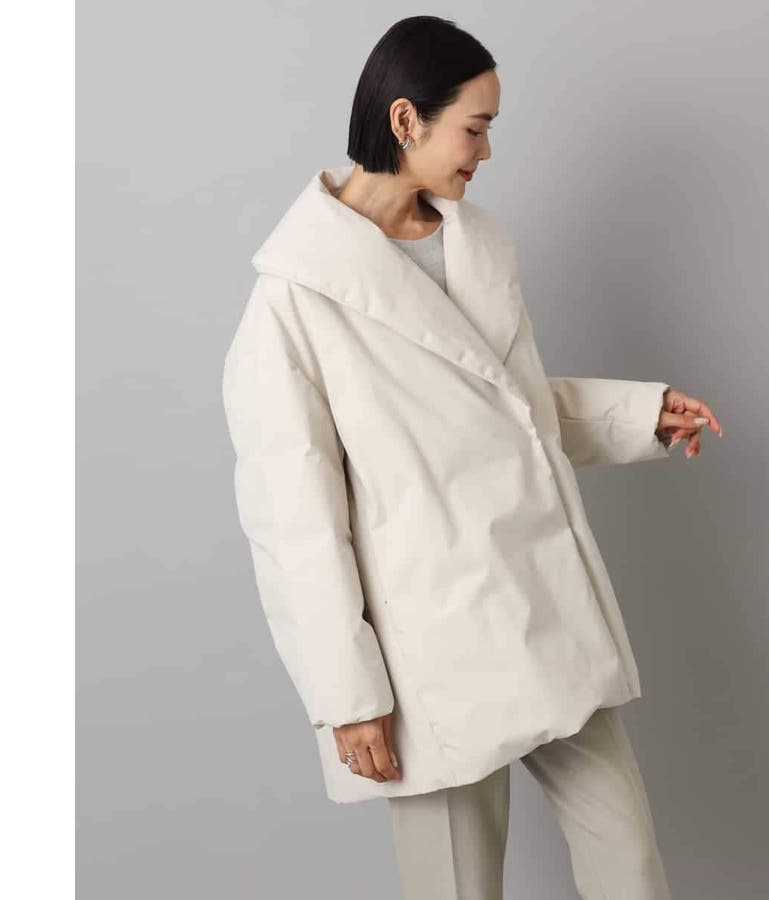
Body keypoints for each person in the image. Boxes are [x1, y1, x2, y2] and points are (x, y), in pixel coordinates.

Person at [222, 15, 721, 900]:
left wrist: (639, 414)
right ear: (406, 120)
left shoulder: (477, 241)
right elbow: (294, 525)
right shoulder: (292, 303)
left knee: (630, 863)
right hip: (429, 651)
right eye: (475, 127)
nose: (486, 152)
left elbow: (504, 408)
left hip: (543, 602)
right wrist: (348, 696)